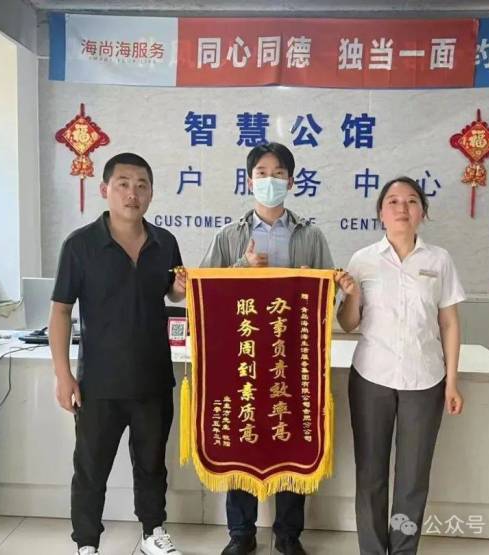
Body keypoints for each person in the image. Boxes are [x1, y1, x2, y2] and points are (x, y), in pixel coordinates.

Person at [200, 142, 343, 555]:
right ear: (249, 181)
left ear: (291, 182)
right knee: (241, 437)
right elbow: (204, 292)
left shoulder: (310, 236)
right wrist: (241, 269)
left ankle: (288, 535)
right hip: (242, 355)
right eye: (261, 173)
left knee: (291, 439)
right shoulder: (229, 236)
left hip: (292, 358)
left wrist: (312, 285)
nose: (269, 180)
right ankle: (240, 534)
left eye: (278, 173)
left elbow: (328, 297)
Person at [49, 152, 186, 555]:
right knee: (91, 468)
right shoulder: (80, 245)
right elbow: (60, 311)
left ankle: (152, 532)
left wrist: (181, 288)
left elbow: (173, 293)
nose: (133, 193)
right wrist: (63, 375)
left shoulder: (165, 243)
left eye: (142, 185)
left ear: (151, 193)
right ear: (105, 189)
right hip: (99, 383)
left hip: (152, 378)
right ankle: (87, 543)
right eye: (123, 184)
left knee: (152, 465)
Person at [337, 177, 466, 555]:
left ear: (422, 212)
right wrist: (352, 295)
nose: (402, 208)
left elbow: (449, 323)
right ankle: (373, 550)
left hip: (425, 379)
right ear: (380, 212)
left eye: (411, 201)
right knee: (371, 474)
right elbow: (348, 323)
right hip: (371, 378)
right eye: (392, 201)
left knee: (412, 477)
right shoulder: (363, 260)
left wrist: (452, 382)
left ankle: (403, 549)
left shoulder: (439, 260)